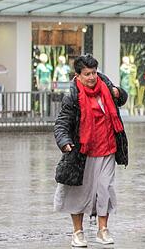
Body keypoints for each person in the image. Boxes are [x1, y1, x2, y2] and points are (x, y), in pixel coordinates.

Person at [53, 54, 128, 247]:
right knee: (79, 192)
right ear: (78, 75)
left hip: (108, 147)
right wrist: (64, 141)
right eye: (87, 74)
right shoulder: (72, 95)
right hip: (83, 151)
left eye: (94, 72)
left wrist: (118, 92)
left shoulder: (104, 83)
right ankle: (77, 232)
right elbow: (62, 122)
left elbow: (121, 97)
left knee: (105, 189)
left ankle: (102, 230)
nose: (92, 77)